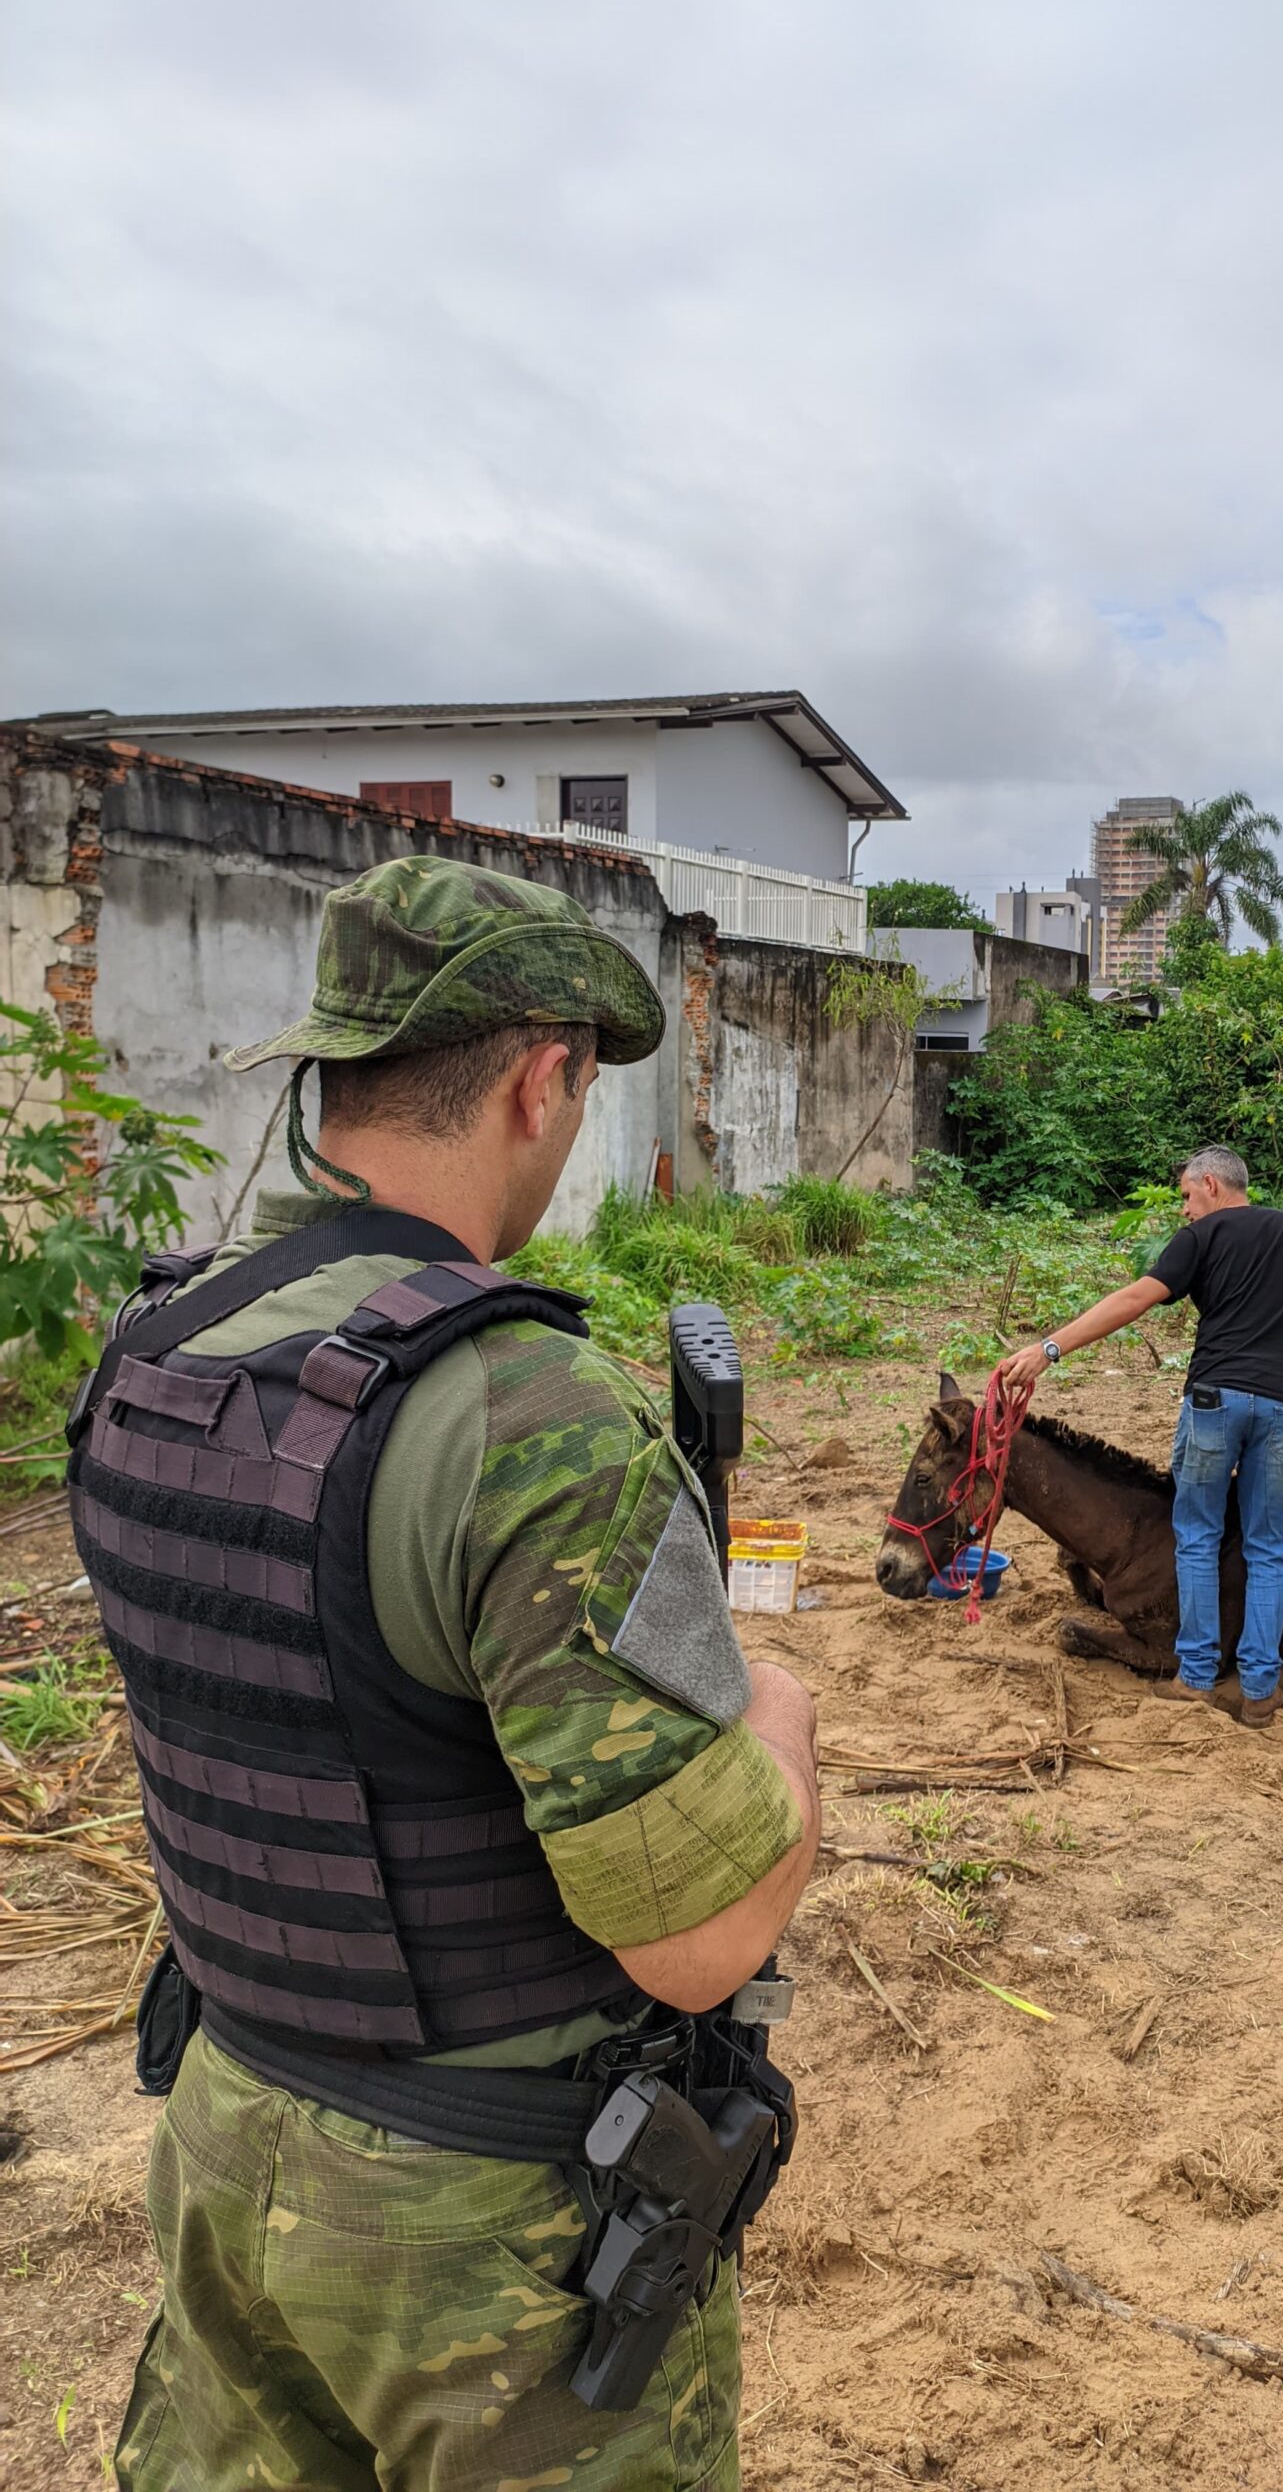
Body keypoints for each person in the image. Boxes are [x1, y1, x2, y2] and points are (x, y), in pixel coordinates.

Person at [72, 855, 821, 2492]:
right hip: (489, 2237)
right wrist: (780, 1721)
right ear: (547, 1079)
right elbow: (699, 1943)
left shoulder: (155, 1351)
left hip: (222, 2130)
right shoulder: (531, 1413)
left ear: (332, 1068)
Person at [1004, 1146, 1283, 1724]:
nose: (1185, 1211)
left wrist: (1049, 1348)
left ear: (1212, 1187)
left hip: (1214, 1401)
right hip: (1282, 1411)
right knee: (1269, 1548)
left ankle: (1195, 1677)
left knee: (1197, 1534)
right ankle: (1260, 1691)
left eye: (1186, 1197)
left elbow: (1134, 1299)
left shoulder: (1203, 1237)